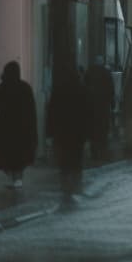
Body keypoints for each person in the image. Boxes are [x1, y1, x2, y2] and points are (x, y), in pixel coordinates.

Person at [45, 67, 91, 202]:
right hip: (78, 132)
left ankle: (66, 187)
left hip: (62, 132)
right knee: (76, 159)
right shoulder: (83, 90)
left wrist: (50, 132)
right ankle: (76, 185)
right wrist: (87, 133)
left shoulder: (58, 90)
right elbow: (88, 113)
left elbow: (52, 112)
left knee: (64, 160)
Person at [0, 60, 38, 188]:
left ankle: (14, 180)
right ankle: (18, 180)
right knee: (20, 158)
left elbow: (0, 105)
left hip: (6, 129)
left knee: (8, 157)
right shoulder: (25, 88)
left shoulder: (2, 87)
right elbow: (31, 111)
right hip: (22, 130)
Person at [84, 55, 115, 160]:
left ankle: (94, 150)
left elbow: (85, 88)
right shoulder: (106, 73)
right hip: (103, 106)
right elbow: (111, 90)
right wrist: (112, 103)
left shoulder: (89, 72)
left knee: (93, 129)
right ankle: (102, 150)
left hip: (92, 106)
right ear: (102, 62)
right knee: (103, 128)